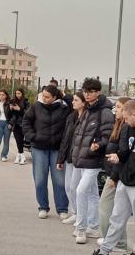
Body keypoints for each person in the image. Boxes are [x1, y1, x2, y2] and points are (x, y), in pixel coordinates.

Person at [81, 100, 135, 255]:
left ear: (134, 114)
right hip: (125, 181)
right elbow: (125, 152)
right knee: (116, 218)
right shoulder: (127, 128)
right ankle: (104, 253)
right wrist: (118, 159)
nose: (125, 122)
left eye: (127, 118)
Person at [69, 78, 114, 241]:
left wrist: (98, 145)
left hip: (93, 160)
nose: (86, 95)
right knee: (92, 193)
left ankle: (81, 228)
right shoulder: (88, 110)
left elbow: (108, 136)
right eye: (85, 91)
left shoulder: (105, 112)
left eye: (90, 92)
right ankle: (94, 226)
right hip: (81, 158)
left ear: (97, 92)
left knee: (81, 191)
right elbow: (79, 134)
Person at [22, 84, 71, 219]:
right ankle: (43, 207)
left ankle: (62, 209)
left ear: (55, 97)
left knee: (60, 181)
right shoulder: (36, 107)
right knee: (40, 179)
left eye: (47, 96)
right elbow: (26, 121)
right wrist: (33, 137)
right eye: (43, 95)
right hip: (39, 149)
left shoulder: (64, 108)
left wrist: (65, 95)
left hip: (57, 150)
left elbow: (75, 106)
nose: (44, 98)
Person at [97, 96, 131, 249]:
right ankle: (118, 242)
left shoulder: (125, 128)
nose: (115, 110)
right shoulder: (119, 125)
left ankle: (114, 241)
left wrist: (114, 177)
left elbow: (122, 155)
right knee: (115, 211)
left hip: (116, 176)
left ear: (126, 110)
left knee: (106, 208)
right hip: (113, 173)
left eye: (118, 107)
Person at [58, 92, 87, 225]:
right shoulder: (71, 116)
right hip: (69, 156)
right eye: (73, 100)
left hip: (80, 159)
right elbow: (65, 139)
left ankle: (81, 215)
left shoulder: (87, 117)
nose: (73, 102)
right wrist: (61, 158)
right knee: (68, 187)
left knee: (77, 187)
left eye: (76, 100)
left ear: (83, 102)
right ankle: (75, 212)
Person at [9, 88, 29, 164]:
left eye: (19, 93)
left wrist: (19, 109)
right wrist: (10, 109)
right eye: (16, 93)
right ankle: (21, 156)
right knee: (18, 140)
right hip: (15, 124)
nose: (17, 95)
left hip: (23, 123)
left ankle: (20, 156)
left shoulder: (26, 101)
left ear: (22, 93)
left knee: (20, 140)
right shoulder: (13, 101)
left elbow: (28, 113)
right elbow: (9, 114)